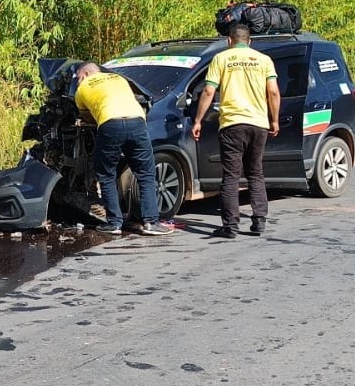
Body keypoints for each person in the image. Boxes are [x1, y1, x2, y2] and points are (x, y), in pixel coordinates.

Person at [192, 24, 281, 238]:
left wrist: (198, 120)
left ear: (229, 41)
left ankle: (230, 226)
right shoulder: (264, 60)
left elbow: (208, 91)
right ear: (249, 41)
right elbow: (274, 92)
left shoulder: (221, 59)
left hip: (232, 124)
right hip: (258, 124)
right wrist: (274, 120)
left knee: (231, 176)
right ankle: (259, 221)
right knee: (256, 173)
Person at [74, 63, 174, 236]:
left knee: (106, 174)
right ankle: (151, 222)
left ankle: (114, 223)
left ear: (86, 74)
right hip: (137, 122)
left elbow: (86, 116)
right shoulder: (119, 78)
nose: (77, 81)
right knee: (146, 173)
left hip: (110, 124)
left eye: (78, 77)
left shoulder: (83, 88)